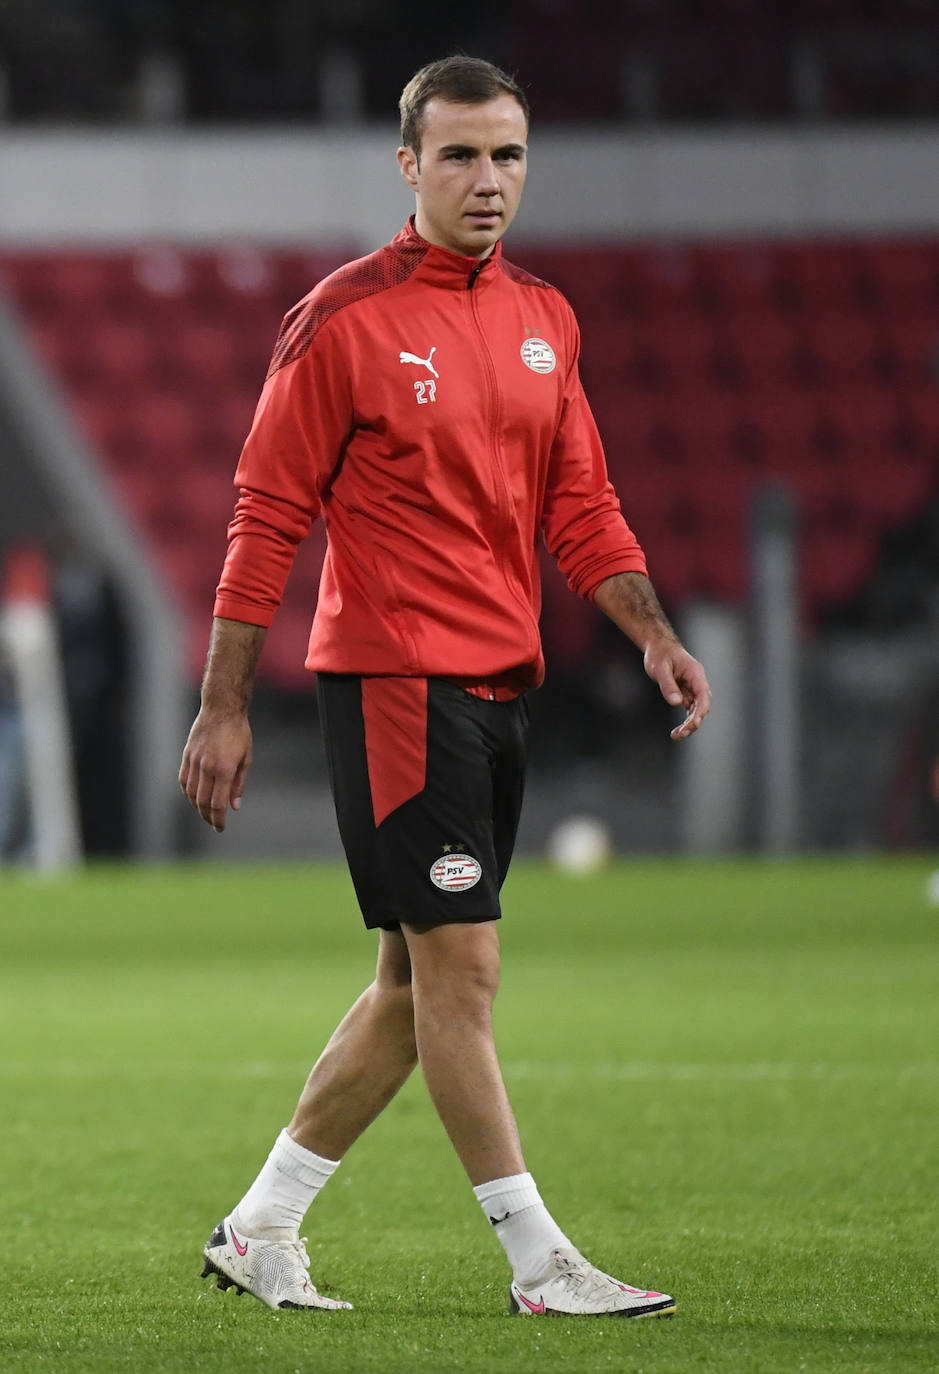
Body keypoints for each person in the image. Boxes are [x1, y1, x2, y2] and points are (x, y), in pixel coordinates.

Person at [179, 54, 711, 1320]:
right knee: (461, 976)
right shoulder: (344, 319)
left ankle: (260, 1230)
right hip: (398, 688)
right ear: (408, 166)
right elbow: (266, 517)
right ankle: (540, 1263)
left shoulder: (545, 317)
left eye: (509, 155)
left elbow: (580, 504)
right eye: (462, 156)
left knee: (413, 994)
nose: (488, 181)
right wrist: (225, 702)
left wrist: (649, 630)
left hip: (496, 689)